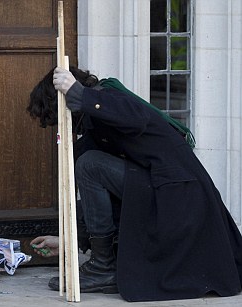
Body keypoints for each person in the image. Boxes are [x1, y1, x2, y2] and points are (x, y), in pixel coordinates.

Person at [26, 66, 242, 302]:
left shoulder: (109, 96)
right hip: (162, 193)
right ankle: (102, 267)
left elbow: (135, 117)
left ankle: (103, 269)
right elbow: (103, 200)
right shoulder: (95, 131)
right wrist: (68, 239)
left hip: (179, 197)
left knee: (90, 164)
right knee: (88, 163)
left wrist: (78, 94)